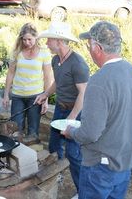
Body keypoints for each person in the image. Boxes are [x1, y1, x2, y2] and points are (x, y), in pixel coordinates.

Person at [63, 21, 132, 199]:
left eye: (89, 46)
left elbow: (90, 133)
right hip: (125, 161)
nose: (88, 50)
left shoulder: (100, 80)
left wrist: (71, 131)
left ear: (98, 48)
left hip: (101, 166)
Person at [34, 21, 90, 198]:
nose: (46, 43)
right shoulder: (55, 59)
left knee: (74, 153)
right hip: (60, 108)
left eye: (49, 40)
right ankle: (55, 176)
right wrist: (45, 94)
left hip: (76, 112)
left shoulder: (78, 63)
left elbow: (83, 94)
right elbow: (57, 83)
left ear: (58, 41)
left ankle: (83, 192)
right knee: (54, 145)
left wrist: (71, 120)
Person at [3, 23, 52, 139]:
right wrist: (6, 95)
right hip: (17, 95)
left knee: (33, 132)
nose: (26, 42)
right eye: (24, 39)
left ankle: (31, 154)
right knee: (15, 131)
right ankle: (17, 154)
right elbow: (10, 73)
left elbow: (48, 77)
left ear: (36, 38)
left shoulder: (44, 52)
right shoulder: (16, 52)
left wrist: (46, 98)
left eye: (30, 39)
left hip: (36, 97)